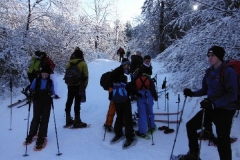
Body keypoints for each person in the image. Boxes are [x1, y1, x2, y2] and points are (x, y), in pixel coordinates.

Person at [179, 46, 238, 160]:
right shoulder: (209, 72)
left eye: (212, 55)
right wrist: (192, 93)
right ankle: (193, 154)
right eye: (209, 55)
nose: (209, 58)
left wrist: (214, 104)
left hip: (226, 110)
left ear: (219, 57)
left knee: (222, 139)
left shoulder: (228, 71)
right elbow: (205, 89)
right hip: (211, 107)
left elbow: (232, 95)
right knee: (190, 126)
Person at [24, 66, 55, 149]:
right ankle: (31, 134)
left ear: (48, 75)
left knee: (45, 118)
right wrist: (31, 92)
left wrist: (51, 93)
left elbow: (53, 91)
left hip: (47, 101)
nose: (44, 76)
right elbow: (32, 88)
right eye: (43, 74)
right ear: (41, 74)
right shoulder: (36, 80)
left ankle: (41, 136)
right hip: (38, 100)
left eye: (46, 75)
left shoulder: (50, 82)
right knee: (36, 117)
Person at [110, 58, 137, 148]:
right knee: (127, 117)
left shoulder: (118, 71)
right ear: (124, 64)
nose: (128, 66)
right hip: (124, 100)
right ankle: (129, 137)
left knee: (119, 116)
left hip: (116, 98)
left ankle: (118, 133)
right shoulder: (120, 73)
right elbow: (128, 87)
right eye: (127, 65)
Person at [65, 49, 89, 128]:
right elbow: (86, 76)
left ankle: (68, 119)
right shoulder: (82, 64)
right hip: (79, 85)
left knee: (69, 100)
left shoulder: (69, 63)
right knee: (77, 102)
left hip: (70, 85)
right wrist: (84, 86)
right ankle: (77, 120)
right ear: (82, 56)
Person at [135, 66, 158, 138]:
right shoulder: (149, 80)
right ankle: (151, 126)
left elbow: (135, 88)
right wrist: (155, 97)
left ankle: (142, 131)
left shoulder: (137, 79)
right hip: (149, 96)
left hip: (140, 97)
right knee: (150, 112)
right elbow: (153, 89)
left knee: (142, 114)